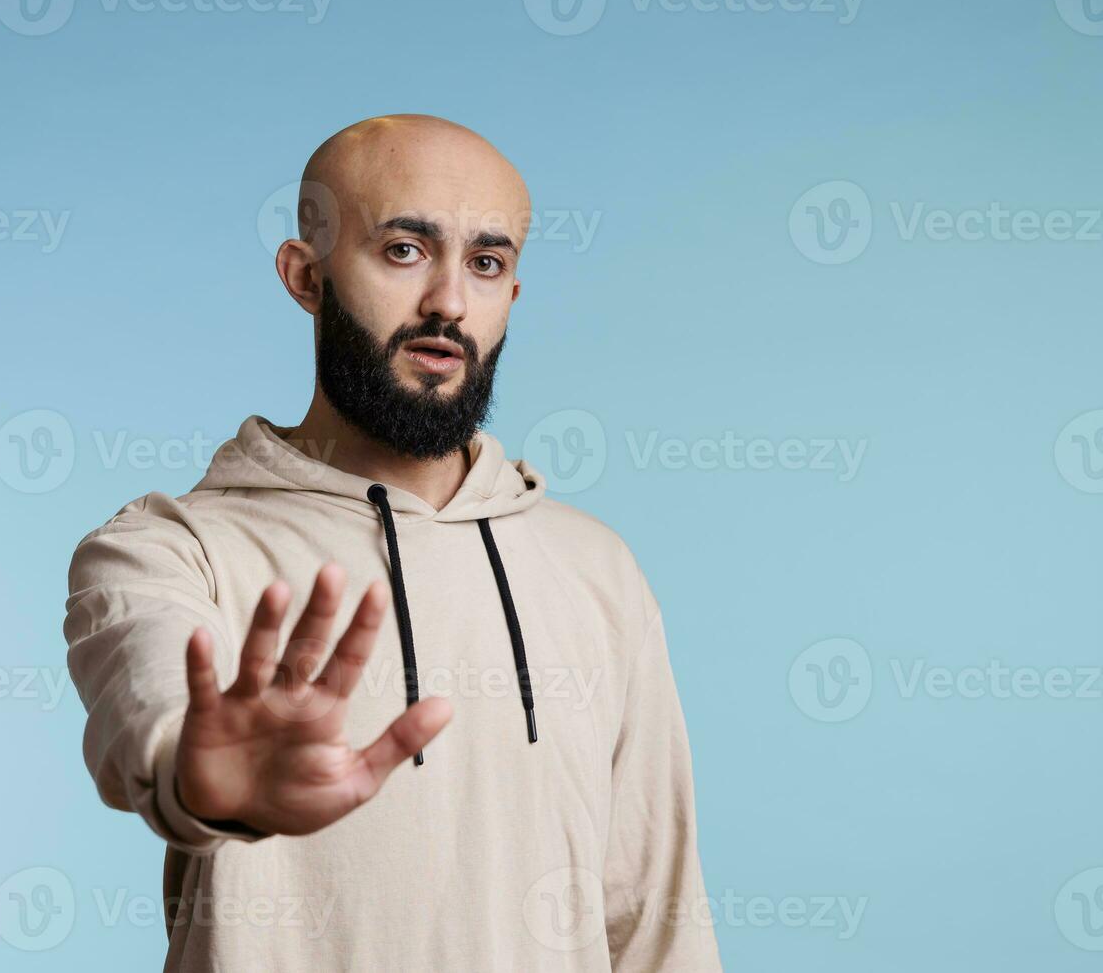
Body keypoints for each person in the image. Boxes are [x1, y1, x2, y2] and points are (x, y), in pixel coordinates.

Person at [64, 113, 723, 971]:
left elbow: (656, 915)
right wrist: (201, 783)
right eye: (405, 250)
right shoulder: (169, 549)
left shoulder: (596, 567)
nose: (450, 301)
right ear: (307, 276)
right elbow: (151, 714)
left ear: (511, 296)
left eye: (486, 264)